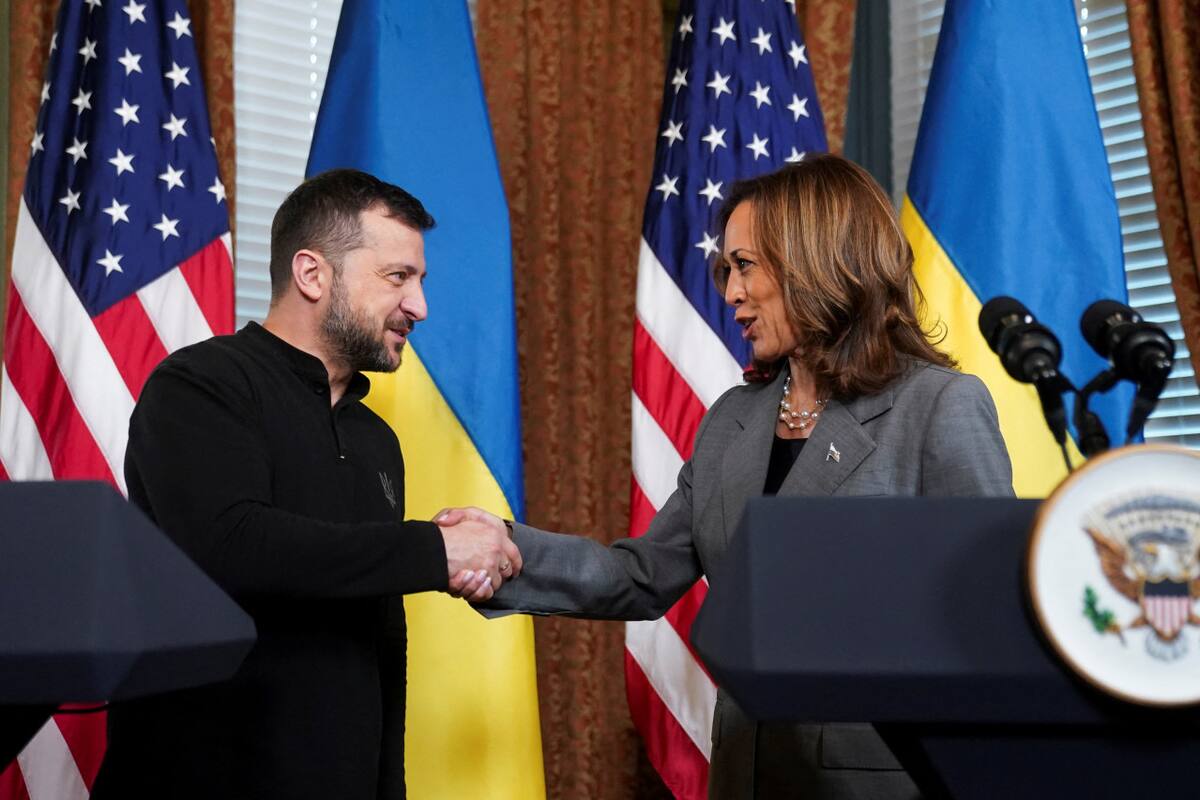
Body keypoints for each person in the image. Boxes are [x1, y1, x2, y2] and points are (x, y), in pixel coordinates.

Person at [442, 155, 1014, 799]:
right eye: (727, 270)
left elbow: (988, 614)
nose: (731, 292)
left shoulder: (938, 406)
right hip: (744, 775)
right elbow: (643, 575)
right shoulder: (732, 420)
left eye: (746, 266)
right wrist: (508, 549)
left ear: (816, 261)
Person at [92, 169, 522, 800]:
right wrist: (434, 551)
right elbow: (232, 546)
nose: (420, 306)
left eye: (420, 281)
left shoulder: (378, 441)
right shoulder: (199, 385)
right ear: (312, 274)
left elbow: (380, 636)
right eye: (397, 277)